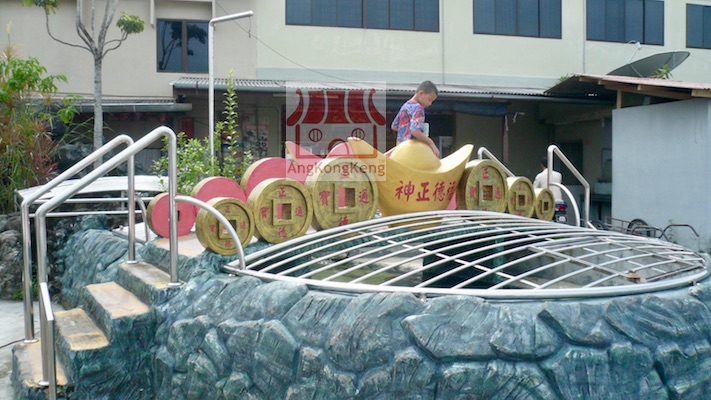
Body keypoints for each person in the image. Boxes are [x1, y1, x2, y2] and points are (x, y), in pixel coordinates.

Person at [391, 80, 440, 157]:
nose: (430, 104)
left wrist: (405, 132)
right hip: (412, 149)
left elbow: (394, 126)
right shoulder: (418, 108)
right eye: (429, 100)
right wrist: (431, 143)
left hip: (400, 148)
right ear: (421, 93)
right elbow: (415, 131)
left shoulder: (405, 106)